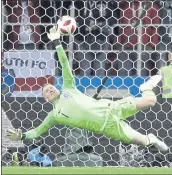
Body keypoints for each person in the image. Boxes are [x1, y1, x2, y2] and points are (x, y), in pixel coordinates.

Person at [7, 26, 168, 152]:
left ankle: (146, 86)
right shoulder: (54, 116)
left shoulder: (68, 88)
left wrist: (56, 41)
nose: (50, 90)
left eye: (51, 87)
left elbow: (64, 63)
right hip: (108, 127)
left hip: (111, 107)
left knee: (151, 100)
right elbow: (36, 132)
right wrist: (22, 135)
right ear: (46, 99)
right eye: (46, 92)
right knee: (145, 141)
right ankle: (151, 140)